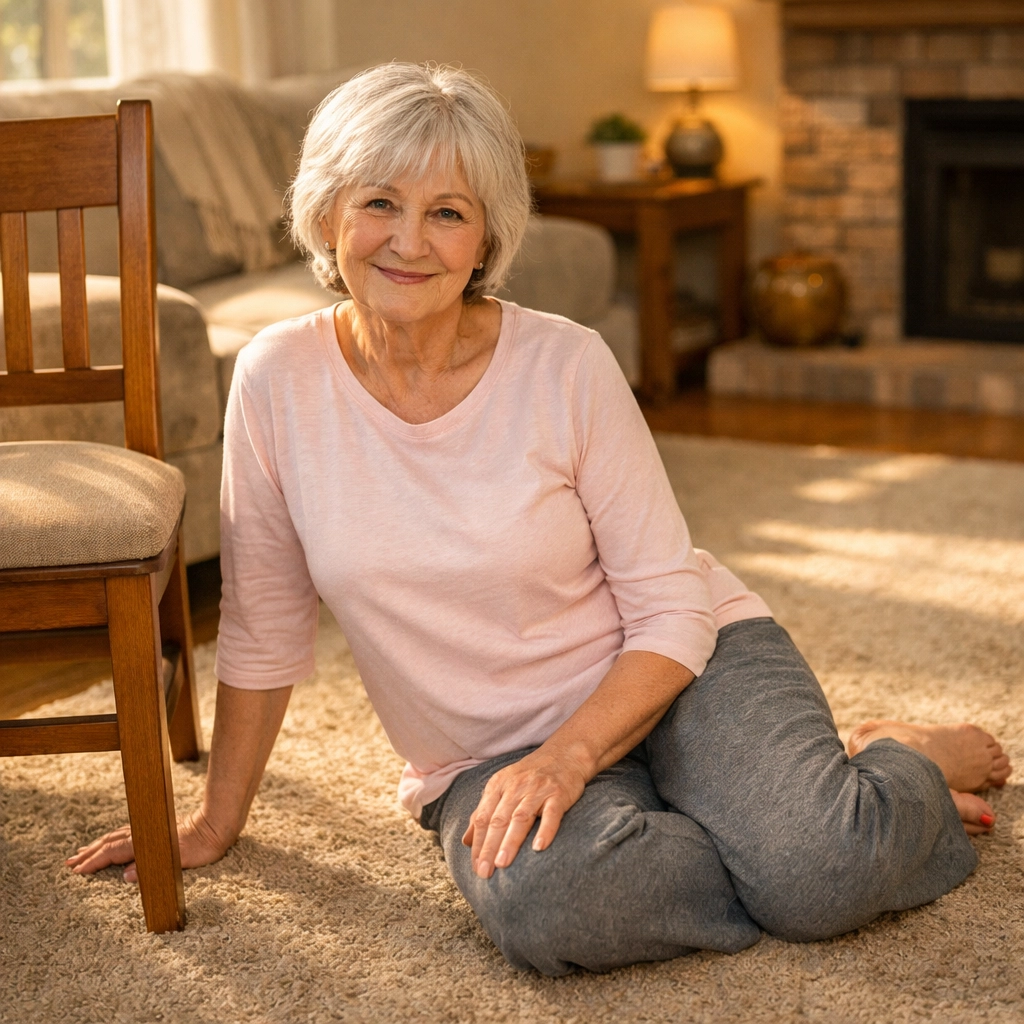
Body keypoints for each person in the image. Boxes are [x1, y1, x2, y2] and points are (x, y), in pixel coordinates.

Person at [69, 63, 1012, 975]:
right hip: (486, 750)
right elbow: (265, 626)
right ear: (327, 214)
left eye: (447, 213)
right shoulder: (277, 380)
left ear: (485, 240)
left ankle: (897, 761)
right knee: (547, 904)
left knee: (822, 876)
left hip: (676, 667)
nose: (408, 241)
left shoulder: (566, 365)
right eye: (379, 203)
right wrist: (214, 822)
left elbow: (670, 608)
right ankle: (784, 815)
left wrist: (571, 761)